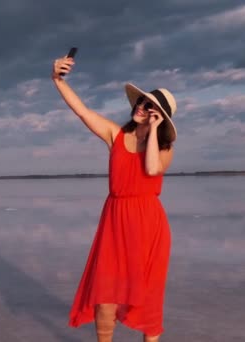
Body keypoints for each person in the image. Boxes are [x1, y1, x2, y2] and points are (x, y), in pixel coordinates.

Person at [51, 53, 178, 342]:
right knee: (104, 296)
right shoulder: (115, 135)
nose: (141, 107)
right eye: (141, 102)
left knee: (147, 297)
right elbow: (82, 111)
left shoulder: (165, 148)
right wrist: (57, 80)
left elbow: (151, 168)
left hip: (148, 226)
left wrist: (155, 130)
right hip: (114, 221)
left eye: (149, 106)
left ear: (160, 116)